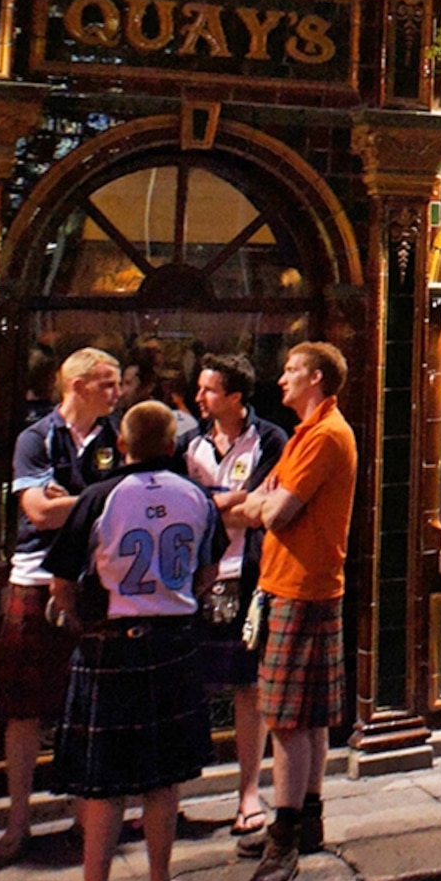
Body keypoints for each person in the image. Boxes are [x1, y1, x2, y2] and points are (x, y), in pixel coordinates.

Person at [31, 401, 225, 881]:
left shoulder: (99, 496)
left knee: (105, 780)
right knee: (164, 778)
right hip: (175, 641)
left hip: (113, 644)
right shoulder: (197, 496)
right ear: (172, 445)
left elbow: (62, 582)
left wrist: (79, 620)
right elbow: (209, 570)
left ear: (122, 444)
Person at [222, 341, 358, 881]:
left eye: (291, 370)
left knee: (287, 720)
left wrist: (257, 507)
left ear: (316, 377)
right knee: (310, 715)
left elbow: (274, 511)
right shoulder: (305, 434)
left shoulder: (325, 436)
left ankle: (285, 836)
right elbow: (256, 495)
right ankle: (308, 818)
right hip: (293, 584)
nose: (281, 379)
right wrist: (254, 503)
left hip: (302, 588)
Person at [0, 346, 122, 862]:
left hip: (97, 579)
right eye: (107, 384)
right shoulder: (36, 437)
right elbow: (38, 513)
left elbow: (127, 500)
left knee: (93, 705)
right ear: (76, 385)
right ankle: (17, 819)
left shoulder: (117, 437)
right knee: (23, 709)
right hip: (36, 577)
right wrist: (98, 498)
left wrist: (70, 500)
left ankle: (84, 817)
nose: (117, 393)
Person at [182, 356, 289, 840]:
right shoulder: (189, 442)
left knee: (250, 687)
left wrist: (208, 502)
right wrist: (231, 501)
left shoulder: (271, 439)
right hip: (195, 579)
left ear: (235, 396)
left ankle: (248, 792)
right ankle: (174, 793)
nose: (199, 398)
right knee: (190, 688)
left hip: (249, 575)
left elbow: (262, 508)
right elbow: (190, 505)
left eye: (208, 390)